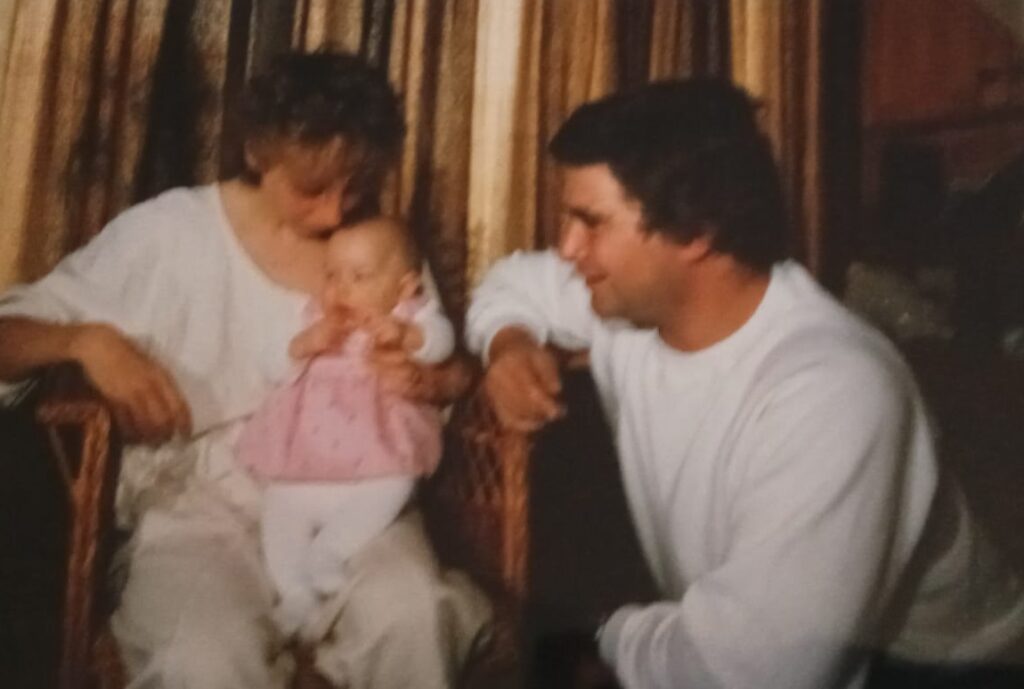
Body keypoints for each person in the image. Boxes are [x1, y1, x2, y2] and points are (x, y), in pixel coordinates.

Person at [466, 79, 1024, 689]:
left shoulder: (833, 393)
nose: (567, 247)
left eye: (590, 222)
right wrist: (508, 343)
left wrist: (603, 634)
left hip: (945, 670)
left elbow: (760, 673)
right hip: (764, 644)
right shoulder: (629, 307)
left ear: (697, 232)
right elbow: (512, 282)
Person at [0, 52, 490, 689]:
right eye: (313, 188)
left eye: (355, 187)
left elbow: (450, 367)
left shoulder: (376, 241)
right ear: (258, 153)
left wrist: (434, 380)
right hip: (200, 507)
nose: (335, 212)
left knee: (414, 617)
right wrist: (84, 341)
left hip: (355, 492)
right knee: (203, 660)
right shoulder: (169, 234)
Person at [238, 217, 451, 638]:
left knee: (398, 482)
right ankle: (295, 592)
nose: (342, 289)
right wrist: (302, 345)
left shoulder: (409, 313)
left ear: (405, 287)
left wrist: (408, 335)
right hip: (306, 460)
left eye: (360, 276)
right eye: (332, 275)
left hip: (374, 460)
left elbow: (442, 342)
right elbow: (269, 365)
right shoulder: (311, 316)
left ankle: (329, 552)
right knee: (278, 505)